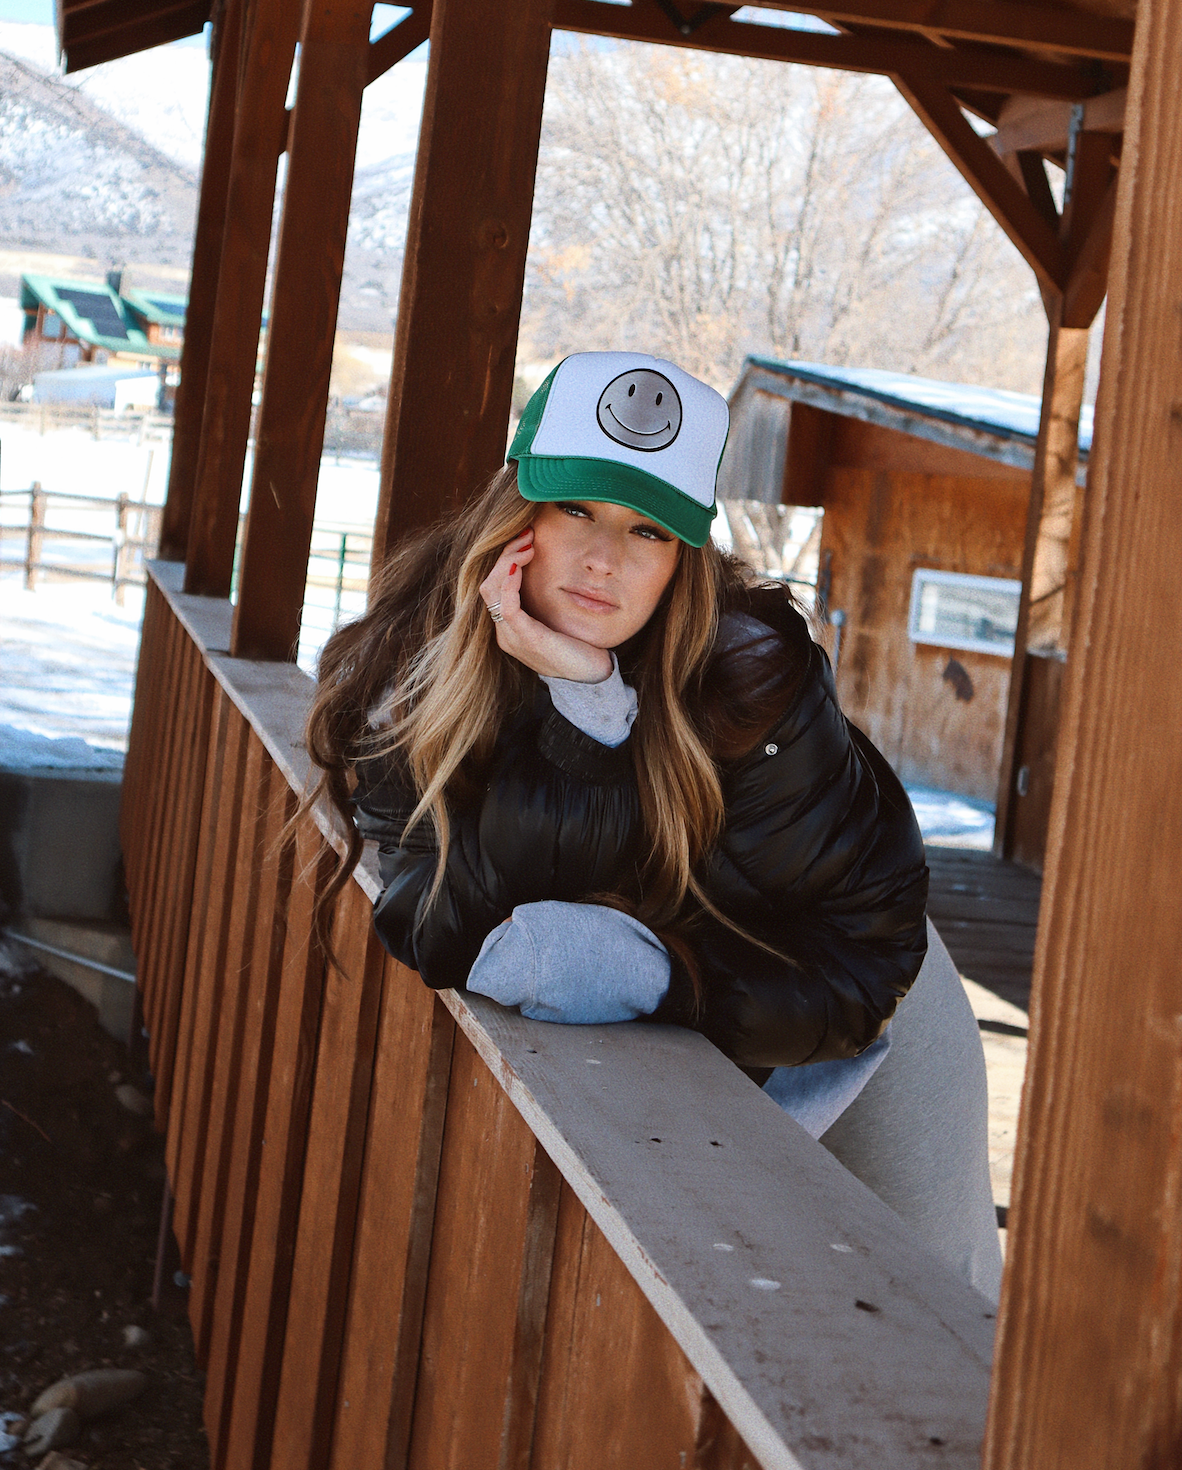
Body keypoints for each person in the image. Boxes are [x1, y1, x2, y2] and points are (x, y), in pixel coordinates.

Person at [305, 350, 1002, 1301]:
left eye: (648, 529)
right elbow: (441, 932)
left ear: (686, 555)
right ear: (518, 514)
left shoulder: (752, 679)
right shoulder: (411, 680)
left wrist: (668, 975)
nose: (603, 560)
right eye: (575, 509)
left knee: (939, 1309)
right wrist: (580, 719)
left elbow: (864, 957)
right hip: (669, 1059)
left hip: (860, 1017)